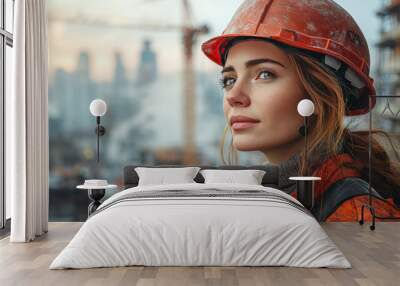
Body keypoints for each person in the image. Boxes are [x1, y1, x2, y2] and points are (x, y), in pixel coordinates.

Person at [201, 0, 400, 222]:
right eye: (229, 80)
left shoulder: (353, 215)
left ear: (323, 93)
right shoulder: (285, 195)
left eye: (265, 74)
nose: (233, 96)